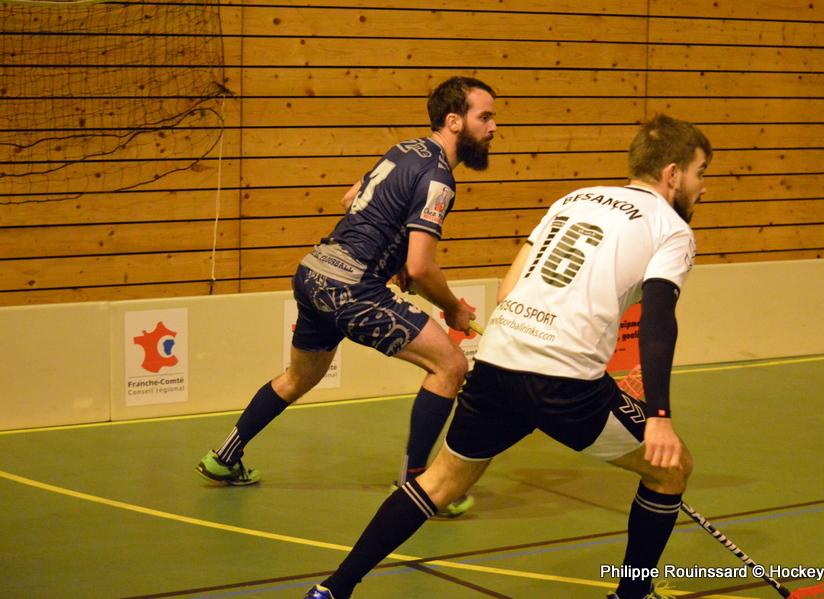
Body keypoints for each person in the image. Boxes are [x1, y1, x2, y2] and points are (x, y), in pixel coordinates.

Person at [304, 114, 712, 599]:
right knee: (672, 469)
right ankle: (632, 595)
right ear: (672, 174)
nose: (702, 187)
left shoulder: (574, 199)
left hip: (498, 360)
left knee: (439, 483)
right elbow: (659, 319)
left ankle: (333, 588)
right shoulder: (671, 229)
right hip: (565, 379)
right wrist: (659, 416)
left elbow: (507, 289)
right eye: (700, 173)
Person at [196, 76, 498, 518]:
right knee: (450, 366)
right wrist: (452, 307)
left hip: (314, 272)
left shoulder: (403, 150)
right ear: (454, 122)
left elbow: (351, 198)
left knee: (299, 377)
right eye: (484, 117)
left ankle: (224, 456)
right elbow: (421, 268)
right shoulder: (439, 179)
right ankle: (418, 484)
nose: (493, 128)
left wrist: (391, 257)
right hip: (352, 288)